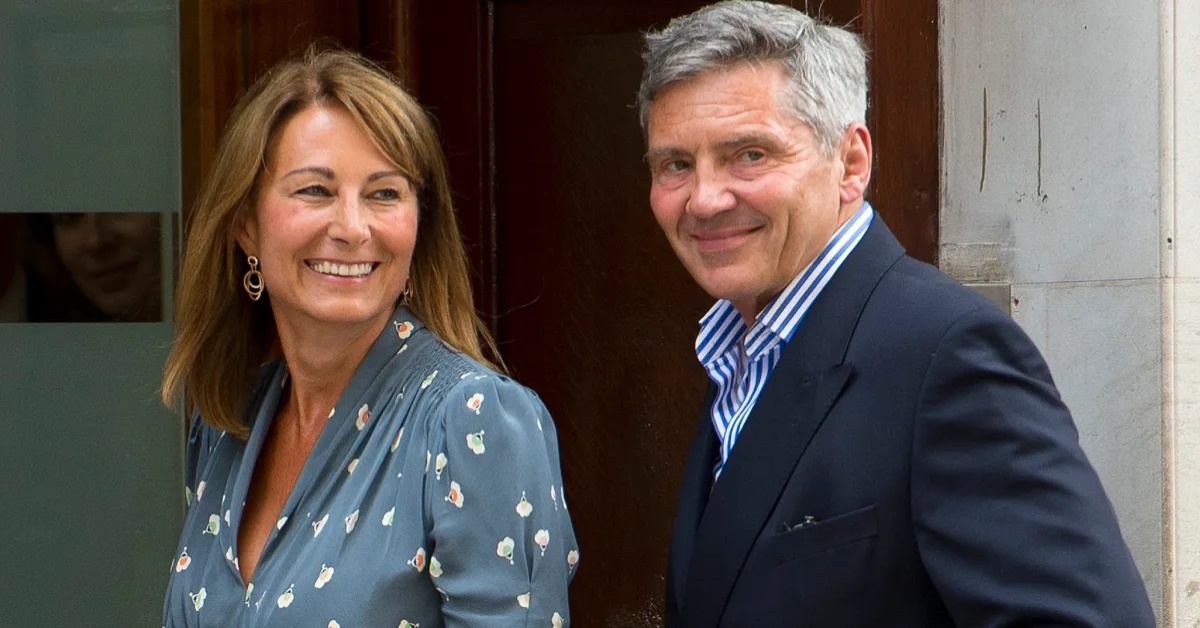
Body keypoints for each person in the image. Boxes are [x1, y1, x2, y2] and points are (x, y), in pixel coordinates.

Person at [637, 2, 1154, 626]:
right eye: (676, 164)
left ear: (851, 163)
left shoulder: (946, 354)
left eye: (750, 155)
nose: (705, 199)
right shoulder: (741, 354)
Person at [160, 48, 577, 626]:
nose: (353, 229)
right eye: (315, 190)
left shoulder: (473, 420)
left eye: (384, 194)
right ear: (246, 224)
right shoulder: (228, 420)